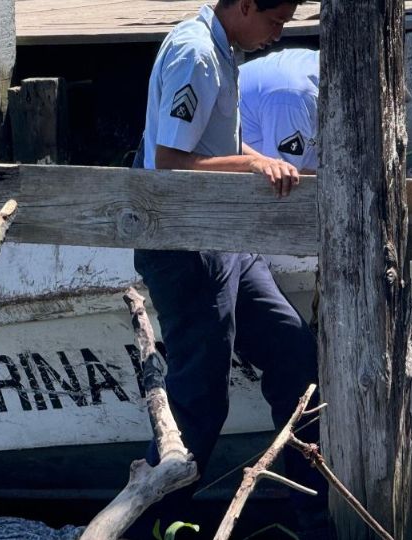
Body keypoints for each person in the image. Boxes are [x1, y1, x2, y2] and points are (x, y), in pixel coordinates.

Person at [131, 0, 327, 536]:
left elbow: (210, 144)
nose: (278, 33)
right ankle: (157, 524)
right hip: (187, 247)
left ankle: (315, 517)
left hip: (228, 241)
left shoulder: (225, 49)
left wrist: (252, 158)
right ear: (243, 5)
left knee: (296, 359)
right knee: (198, 402)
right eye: (275, 20)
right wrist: (250, 162)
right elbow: (170, 163)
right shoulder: (196, 55)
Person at [240, 48, 320, 173]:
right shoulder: (296, 98)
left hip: (284, 133)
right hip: (224, 167)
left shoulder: (317, 63)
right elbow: (284, 178)